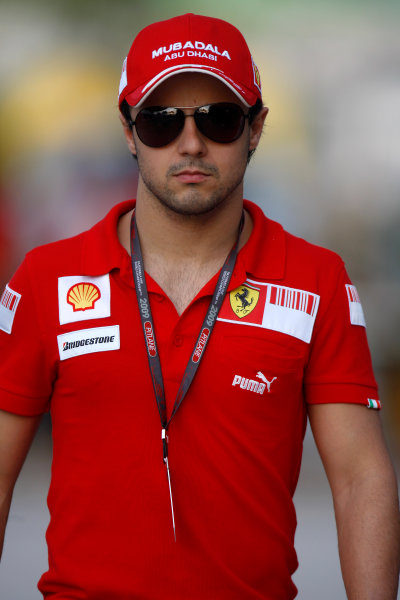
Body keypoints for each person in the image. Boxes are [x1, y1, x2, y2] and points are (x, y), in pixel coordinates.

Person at [0, 13, 399, 600]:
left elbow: (362, 480)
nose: (191, 143)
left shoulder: (317, 279)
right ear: (127, 130)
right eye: (161, 122)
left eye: (219, 118)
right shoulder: (47, 278)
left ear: (256, 127)